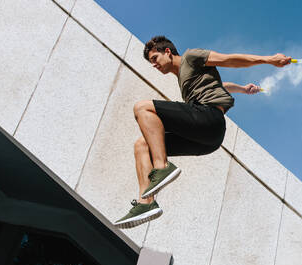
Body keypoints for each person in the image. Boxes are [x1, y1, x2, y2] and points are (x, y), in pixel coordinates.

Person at [114, 36, 292, 228]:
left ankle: (162, 166)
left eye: (155, 58)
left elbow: (229, 59)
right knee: (141, 146)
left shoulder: (191, 57)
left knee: (142, 108)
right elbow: (219, 86)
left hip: (210, 120)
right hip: (206, 140)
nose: (154, 65)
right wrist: (241, 89)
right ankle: (146, 203)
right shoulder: (185, 78)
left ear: (167, 52)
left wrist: (269, 59)